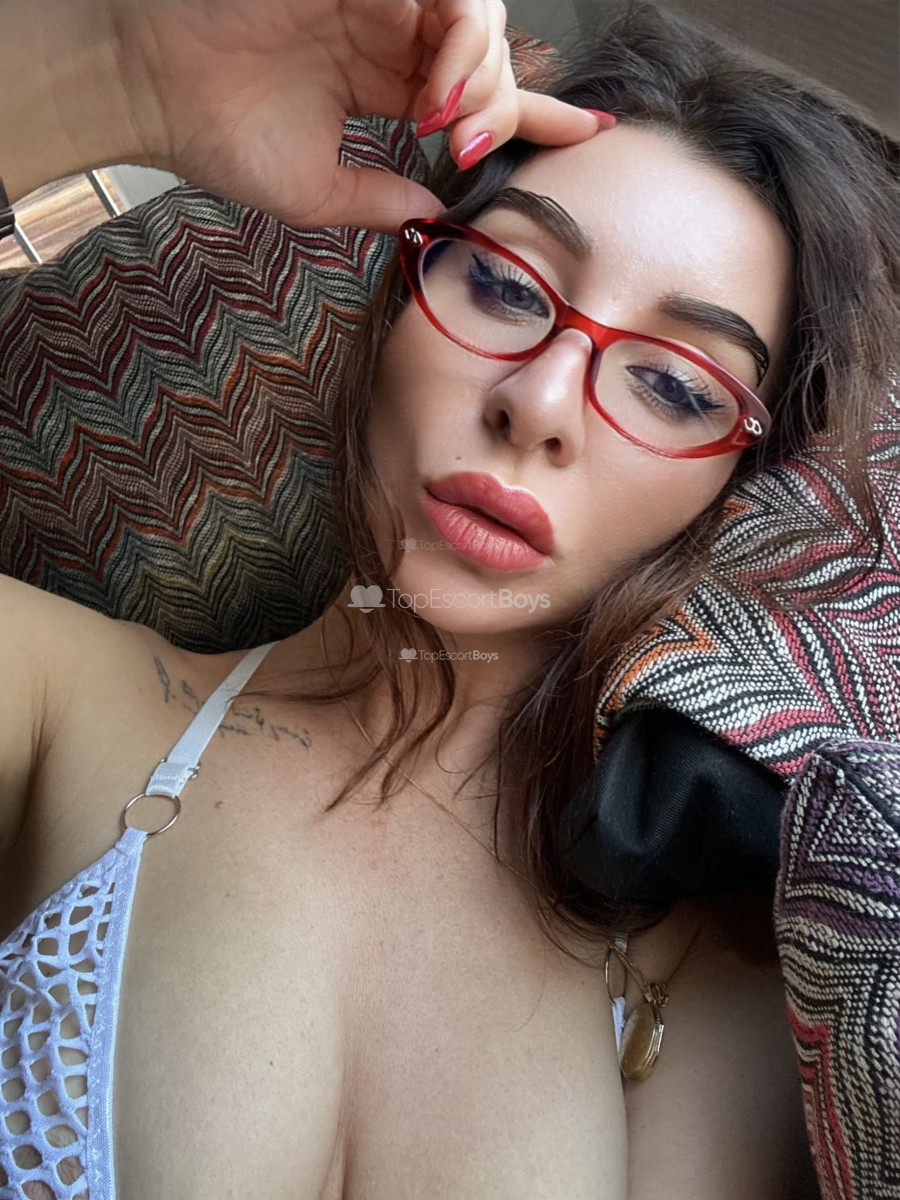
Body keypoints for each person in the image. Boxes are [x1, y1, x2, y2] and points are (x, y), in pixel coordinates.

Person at [0, 0, 895, 1196]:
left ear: (738, 493)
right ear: (394, 307)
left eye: (679, 387)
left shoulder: (723, 958)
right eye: (508, 286)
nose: (539, 402)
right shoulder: (59, 697)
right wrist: (104, 69)